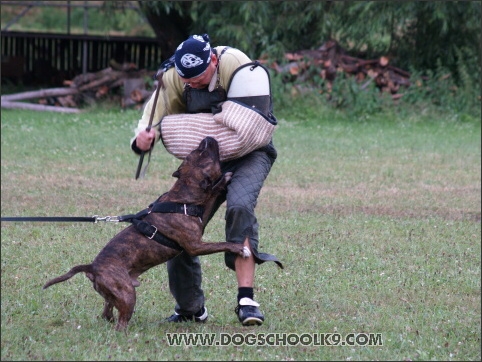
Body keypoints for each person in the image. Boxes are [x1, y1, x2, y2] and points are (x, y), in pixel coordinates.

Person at [130, 34, 279, 326]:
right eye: (188, 81)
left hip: (251, 154)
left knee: (240, 208)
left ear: (213, 60)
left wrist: (197, 126)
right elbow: (151, 120)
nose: (193, 85)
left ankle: (246, 300)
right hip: (205, 164)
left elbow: (249, 127)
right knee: (177, 223)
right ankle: (191, 308)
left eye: (199, 78)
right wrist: (143, 140)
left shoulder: (237, 65)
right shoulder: (174, 77)